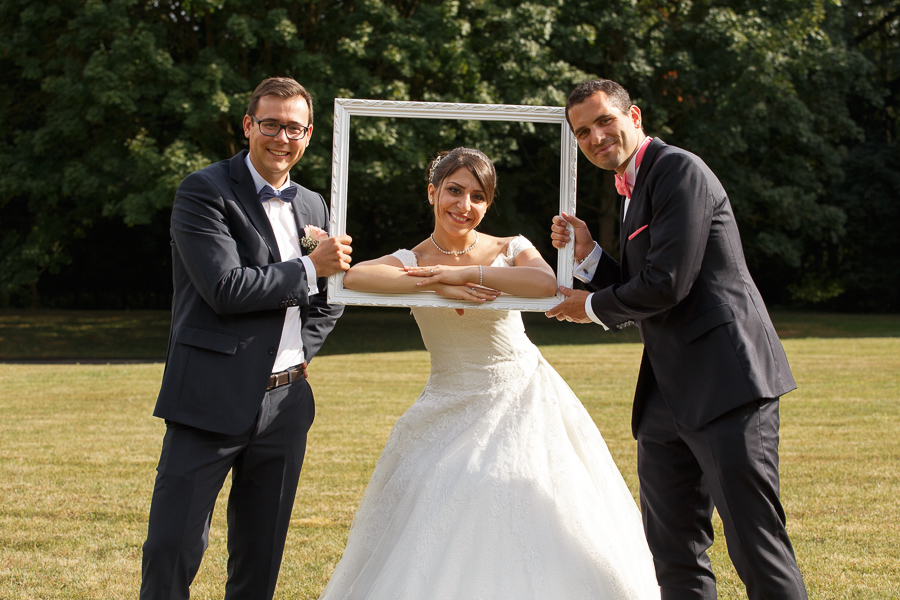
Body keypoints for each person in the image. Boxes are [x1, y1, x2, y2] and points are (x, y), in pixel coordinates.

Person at [318, 147, 660, 600]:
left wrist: (476, 272)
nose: (464, 206)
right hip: (448, 399)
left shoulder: (508, 247)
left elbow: (543, 284)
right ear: (432, 193)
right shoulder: (411, 257)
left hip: (520, 395)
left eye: (477, 196)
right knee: (440, 507)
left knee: (523, 497)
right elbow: (356, 277)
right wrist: (441, 281)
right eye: (454, 191)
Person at [547, 79, 807, 599]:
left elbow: (668, 283)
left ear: (634, 116)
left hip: (729, 384)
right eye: (583, 132)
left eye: (604, 121)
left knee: (756, 542)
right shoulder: (633, 187)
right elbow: (644, 279)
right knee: (672, 550)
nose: (596, 137)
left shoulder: (678, 170)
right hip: (667, 396)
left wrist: (588, 306)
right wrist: (590, 255)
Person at [140, 76, 352, 600]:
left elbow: (330, 299)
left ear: (308, 135)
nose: (282, 138)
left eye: (295, 128)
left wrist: (298, 354)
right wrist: (309, 264)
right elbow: (224, 288)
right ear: (248, 126)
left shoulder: (313, 205)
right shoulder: (203, 190)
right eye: (271, 124)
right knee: (174, 547)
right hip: (208, 394)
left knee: (261, 556)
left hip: (285, 402)